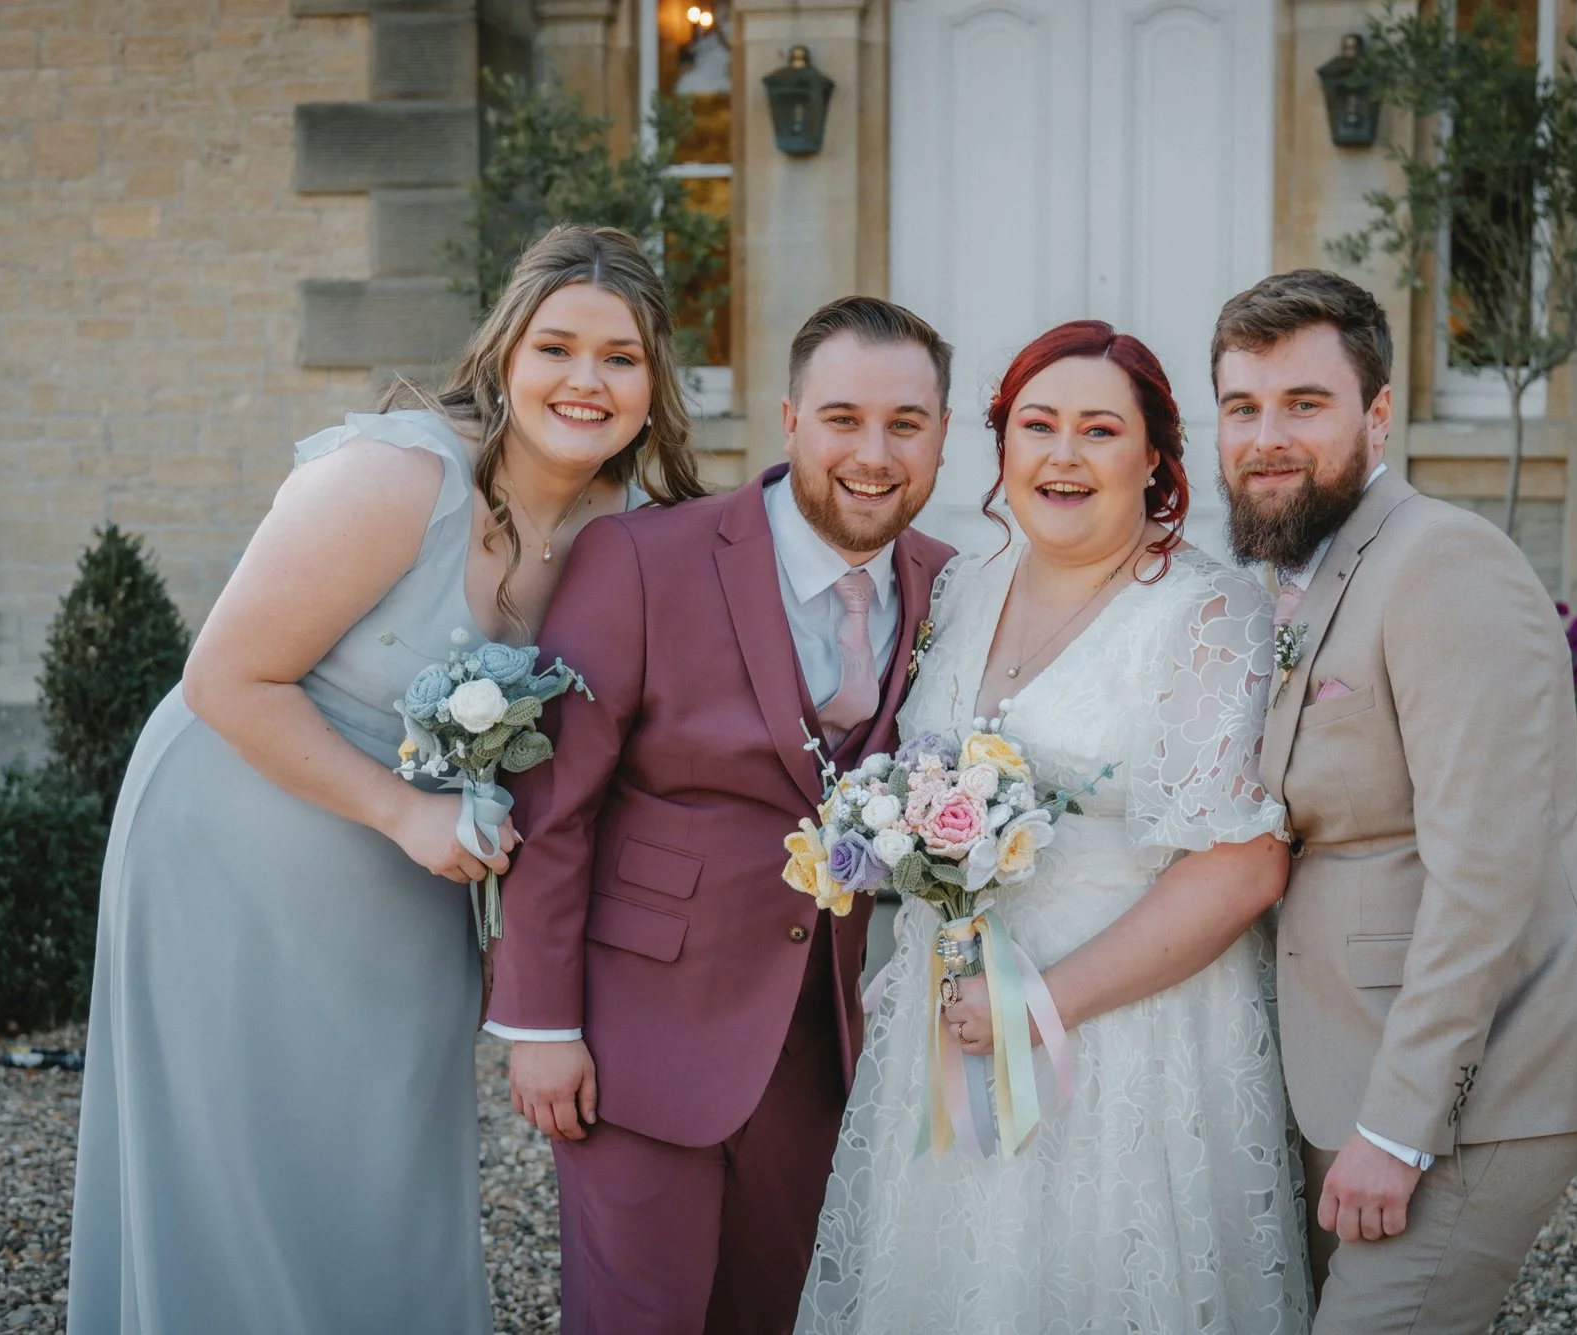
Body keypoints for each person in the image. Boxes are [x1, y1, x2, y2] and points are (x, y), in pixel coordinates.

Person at [65, 225, 705, 1335]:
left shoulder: (640, 536)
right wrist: (402, 812)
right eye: (557, 347)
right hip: (237, 826)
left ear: (655, 389)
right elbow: (224, 677)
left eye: (621, 357)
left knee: (386, 1140)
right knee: (240, 1145)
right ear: (506, 355)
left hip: (418, 875)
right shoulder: (398, 478)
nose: (584, 381)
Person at [797, 320, 1312, 1334]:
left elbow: (1242, 869)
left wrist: (1040, 1008)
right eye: (1037, 425)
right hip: (948, 1029)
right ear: (1001, 448)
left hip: (1125, 1037)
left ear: (1154, 459)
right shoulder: (960, 587)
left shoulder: (1203, 615)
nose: (1062, 455)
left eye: (1098, 430)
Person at [487, 296, 957, 1334]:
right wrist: (539, 1024)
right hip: (635, 1036)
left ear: (941, 435)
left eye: (905, 425)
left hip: (819, 1046)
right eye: (841, 418)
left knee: (773, 1314)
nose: (872, 453)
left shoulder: (949, 586)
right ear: (788, 421)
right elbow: (556, 803)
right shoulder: (644, 558)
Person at [1212, 269, 1577, 1334]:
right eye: (1240, 407)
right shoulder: (1306, 569)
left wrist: (1401, 1129)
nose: (1265, 436)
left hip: (1473, 1083)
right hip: (1349, 1052)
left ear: (1375, 418)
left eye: (1303, 405)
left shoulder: (1442, 563)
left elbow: (1484, 872)